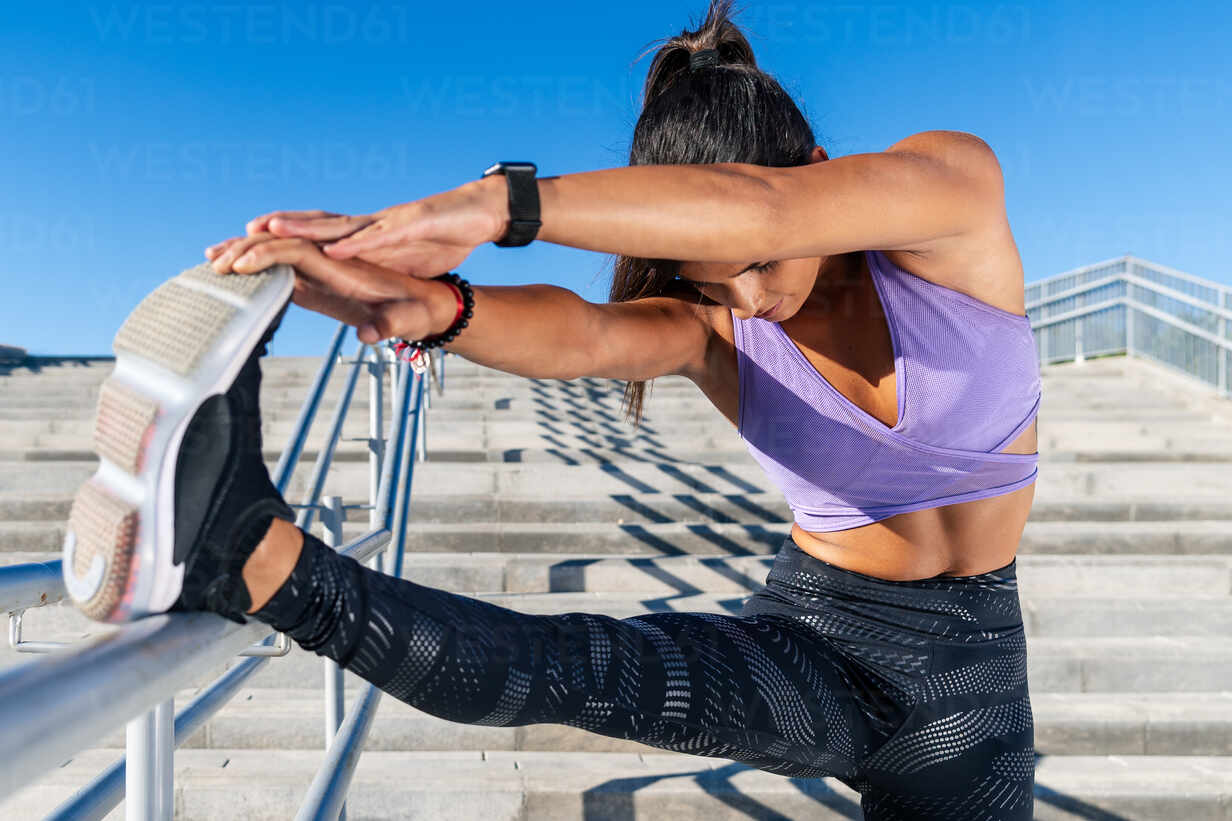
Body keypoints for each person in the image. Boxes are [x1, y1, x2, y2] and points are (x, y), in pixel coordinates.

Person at [64, 2, 1039, 817]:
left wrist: (499, 206)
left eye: (750, 269)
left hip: (975, 682)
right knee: (568, 667)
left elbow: (764, 208)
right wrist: (428, 306)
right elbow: (583, 335)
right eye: (711, 280)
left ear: (818, 166)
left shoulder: (952, 194)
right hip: (817, 635)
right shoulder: (712, 328)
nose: (741, 299)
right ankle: (241, 547)